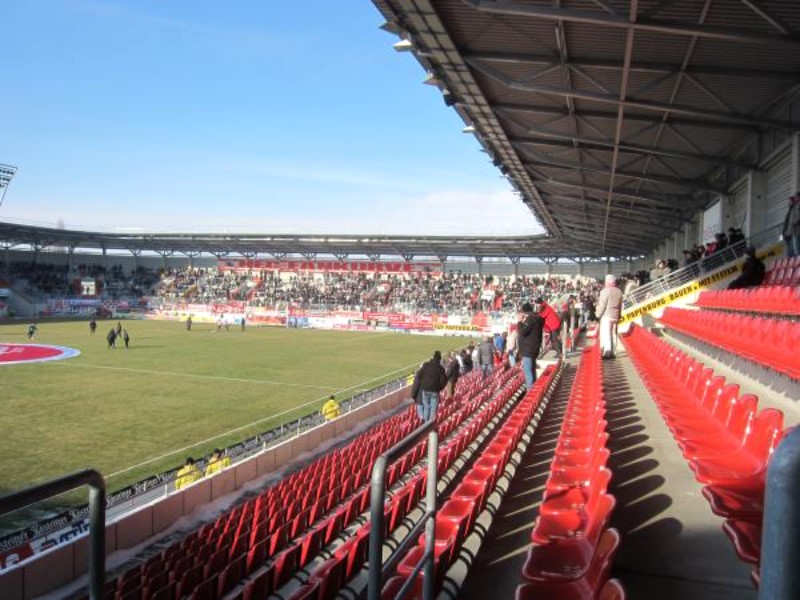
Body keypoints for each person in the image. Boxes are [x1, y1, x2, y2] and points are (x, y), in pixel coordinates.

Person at [410, 351, 447, 421]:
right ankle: (430, 425)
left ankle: (426, 424)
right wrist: (439, 388)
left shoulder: (426, 365)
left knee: (426, 408)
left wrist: (424, 383)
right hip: (434, 391)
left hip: (426, 390)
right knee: (433, 409)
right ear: (439, 359)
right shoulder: (441, 368)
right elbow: (443, 381)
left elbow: (419, 375)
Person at [517, 302, 544, 390]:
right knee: (532, 371)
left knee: (528, 374)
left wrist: (520, 322)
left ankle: (530, 394)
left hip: (528, 350)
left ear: (525, 312)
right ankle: (533, 391)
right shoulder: (538, 319)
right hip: (533, 349)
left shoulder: (531, 319)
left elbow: (523, 332)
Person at [596, 274, 624, 359]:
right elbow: (620, 305)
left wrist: (598, 314)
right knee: (614, 334)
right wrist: (619, 315)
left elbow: (602, 305)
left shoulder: (605, 291)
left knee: (606, 333)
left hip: (607, 316)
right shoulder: (619, 291)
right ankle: (614, 352)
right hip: (615, 316)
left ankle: (607, 352)